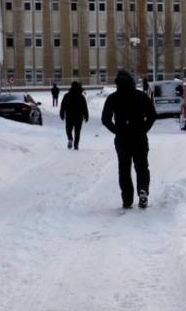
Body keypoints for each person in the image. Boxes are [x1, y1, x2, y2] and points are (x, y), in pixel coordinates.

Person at [102, 71, 157, 209]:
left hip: (122, 139)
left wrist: (117, 130)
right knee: (142, 167)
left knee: (124, 169)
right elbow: (152, 115)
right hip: (139, 137)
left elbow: (105, 119)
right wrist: (144, 128)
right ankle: (143, 190)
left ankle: (127, 199)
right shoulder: (141, 96)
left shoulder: (113, 98)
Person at [59, 81, 89, 150]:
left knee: (68, 129)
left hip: (69, 116)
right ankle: (76, 144)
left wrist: (62, 113)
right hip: (79, 117)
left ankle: (70, 139)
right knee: (77, 131)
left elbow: (63, 105)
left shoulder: (67, 95)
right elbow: (85, 107)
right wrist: (86, 115)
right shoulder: (81, 96)